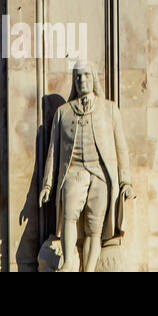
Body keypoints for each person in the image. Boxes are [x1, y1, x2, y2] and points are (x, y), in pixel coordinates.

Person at [40, 60, 134, 272]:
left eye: (86, 75)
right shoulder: (63, 112)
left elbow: (121, 148)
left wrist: (125, 181)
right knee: (69, 214)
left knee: (95, 227)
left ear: (93, 78)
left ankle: (89, 268)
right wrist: (47, 185)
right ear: (74, 81)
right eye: (78, 76)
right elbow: (53, 152)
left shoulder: (109, 109)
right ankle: (66, 263)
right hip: (74, 171)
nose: (82, 80)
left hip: (101, 174)